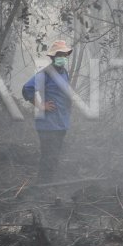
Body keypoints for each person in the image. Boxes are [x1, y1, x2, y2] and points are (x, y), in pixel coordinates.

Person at [21, 40, 73, 184]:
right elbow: (26, 89)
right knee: (48, 156)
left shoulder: (64, 73)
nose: (63, 57)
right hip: (48, 124)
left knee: (54, 156)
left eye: (64, 54)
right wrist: (40, 105)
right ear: (53, 57)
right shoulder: (45, 74)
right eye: (59, 54)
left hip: (61, 123)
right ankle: (42, 185)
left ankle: (48, 183)